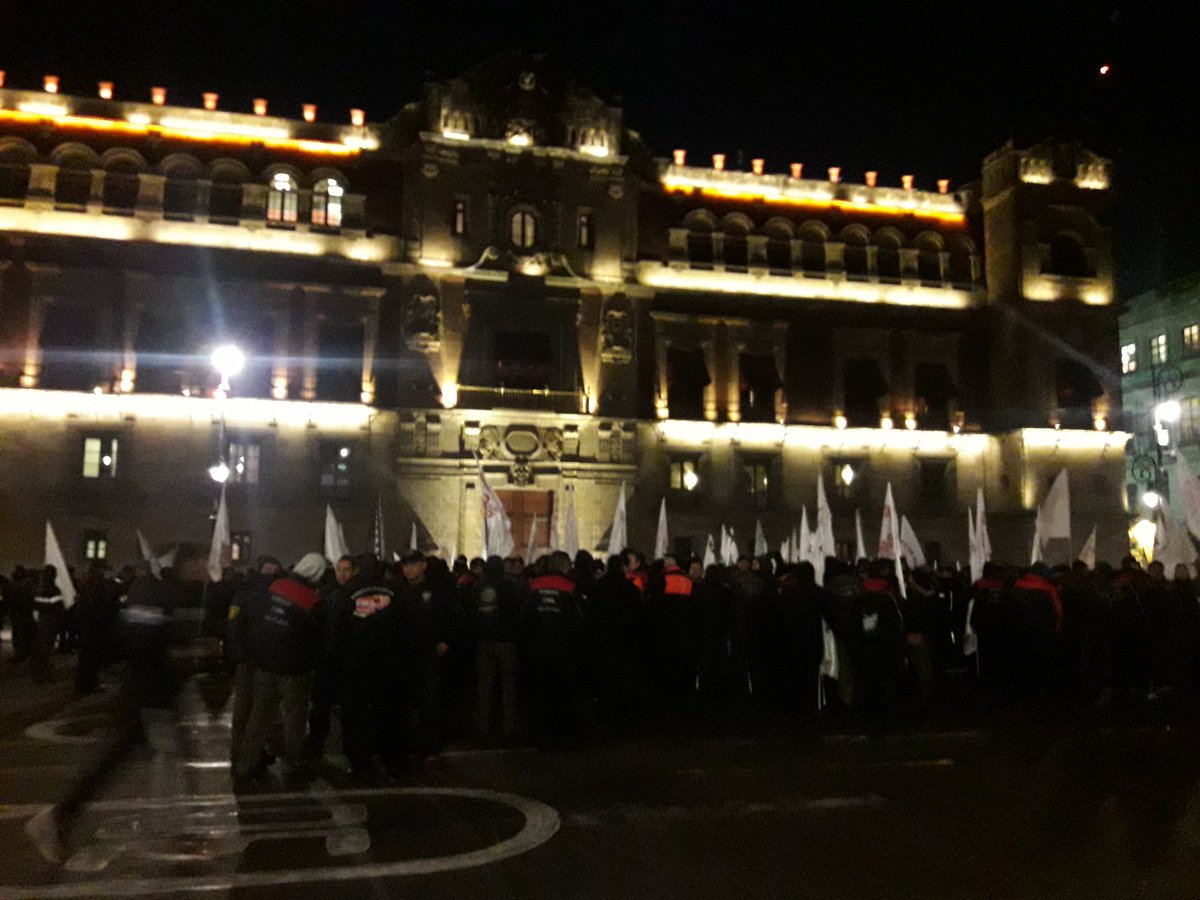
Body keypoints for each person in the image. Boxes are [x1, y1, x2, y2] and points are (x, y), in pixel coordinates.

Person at [24, 544, 208, 863]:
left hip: (161, 695)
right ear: (189, 564)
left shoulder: (189, 595)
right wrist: (177, 656)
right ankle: (57, 819)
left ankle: (59, 817)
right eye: (206, 562)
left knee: (122, 760)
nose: (210, 568)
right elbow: (137, 642)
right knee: (155, 760)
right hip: (147, 696)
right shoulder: (157, 594)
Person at [233, 553, 327, 787]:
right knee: (294, 717)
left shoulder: (274, 586)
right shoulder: (311, 600)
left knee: (259, 715)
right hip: (294, 669)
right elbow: (319, 637)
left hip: (265, 664)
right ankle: (293, 763)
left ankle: (245, 764)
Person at [397, 550, 464, 763]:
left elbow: (457, 616)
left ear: (423, 565)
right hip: (405, 656)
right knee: (406, 703)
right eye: (405, 565)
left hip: (428, 656)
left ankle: (430, 747)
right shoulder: (399, 591)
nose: (408, 569)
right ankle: (408, 744)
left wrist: (447, 641)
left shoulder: (437, 589)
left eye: (412, 564)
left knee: (430, 702)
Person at [467, 556, 524, 740]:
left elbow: (471, 612)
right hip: (505, 640)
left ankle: (483, 726)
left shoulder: (478, 586)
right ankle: (509, 726)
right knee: (508, 684)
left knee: (485, 685)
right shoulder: (509, 585)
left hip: (483, 641)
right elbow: (517, 611)